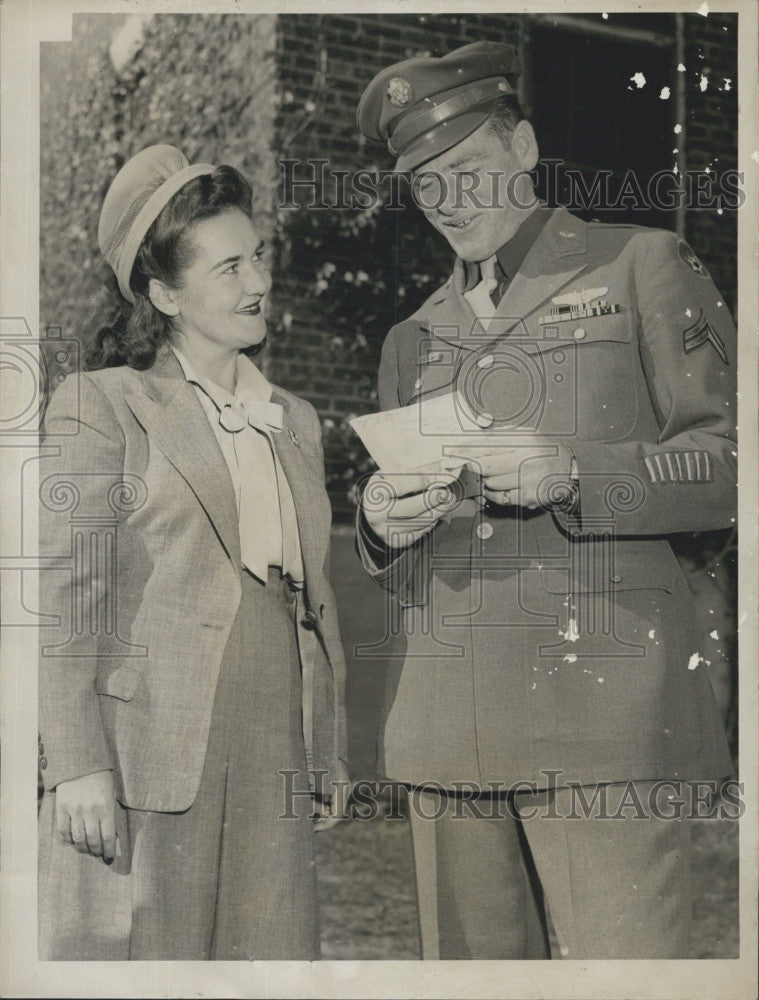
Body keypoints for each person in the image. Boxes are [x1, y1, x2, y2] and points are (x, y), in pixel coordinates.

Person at [355, 42, 736, 959]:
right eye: (427, 187)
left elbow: (729, 462)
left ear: (523, 148)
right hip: (445, 730)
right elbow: (406, 538)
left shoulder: (641, 263)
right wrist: (377, 524)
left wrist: (575, 471)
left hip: (603, 724)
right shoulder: (411, 337)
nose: (452, 204)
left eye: (470, 170)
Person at [37, 145, 347, 960]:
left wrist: (327, 743)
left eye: (260, 258)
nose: (258, 283)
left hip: (275, 730)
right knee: (149, 958)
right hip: (150, 742)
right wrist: (75, 762)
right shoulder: (104, 402)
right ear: (163, 292)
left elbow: (313, 603)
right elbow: (68, 593)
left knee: (270, 959)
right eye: (230, 268)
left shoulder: (294, 417)